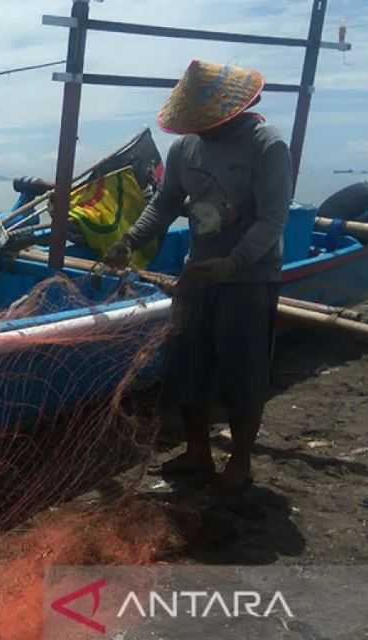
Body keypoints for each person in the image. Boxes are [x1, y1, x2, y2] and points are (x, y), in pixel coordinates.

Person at [102, 61, 293, 495]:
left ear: (233, 111)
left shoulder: (267, 145)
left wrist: (234, 262)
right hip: (197, 275)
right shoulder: (185, 150)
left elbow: (272, 220)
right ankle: (197, 452)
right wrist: (129, 239)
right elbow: (166, 203)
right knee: (189, 366)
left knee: (242, 370)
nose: (200, 130)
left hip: (250, 279)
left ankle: (240, 461)